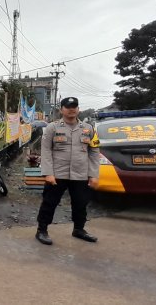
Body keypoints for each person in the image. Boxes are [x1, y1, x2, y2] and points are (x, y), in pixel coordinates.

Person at [35, 97, 100, 245]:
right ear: (61, 109)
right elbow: (45, 150)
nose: (71, 109)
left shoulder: (88, 129)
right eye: (68, 106)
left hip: (80, 174)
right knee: (49, 203)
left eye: (74, 106)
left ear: (78, 109)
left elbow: (94, 152)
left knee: (81, 203)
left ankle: (79, 229)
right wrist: (48, 173)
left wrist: (94, 174)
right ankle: (42, 230)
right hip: (58, 174)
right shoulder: (53, 127)